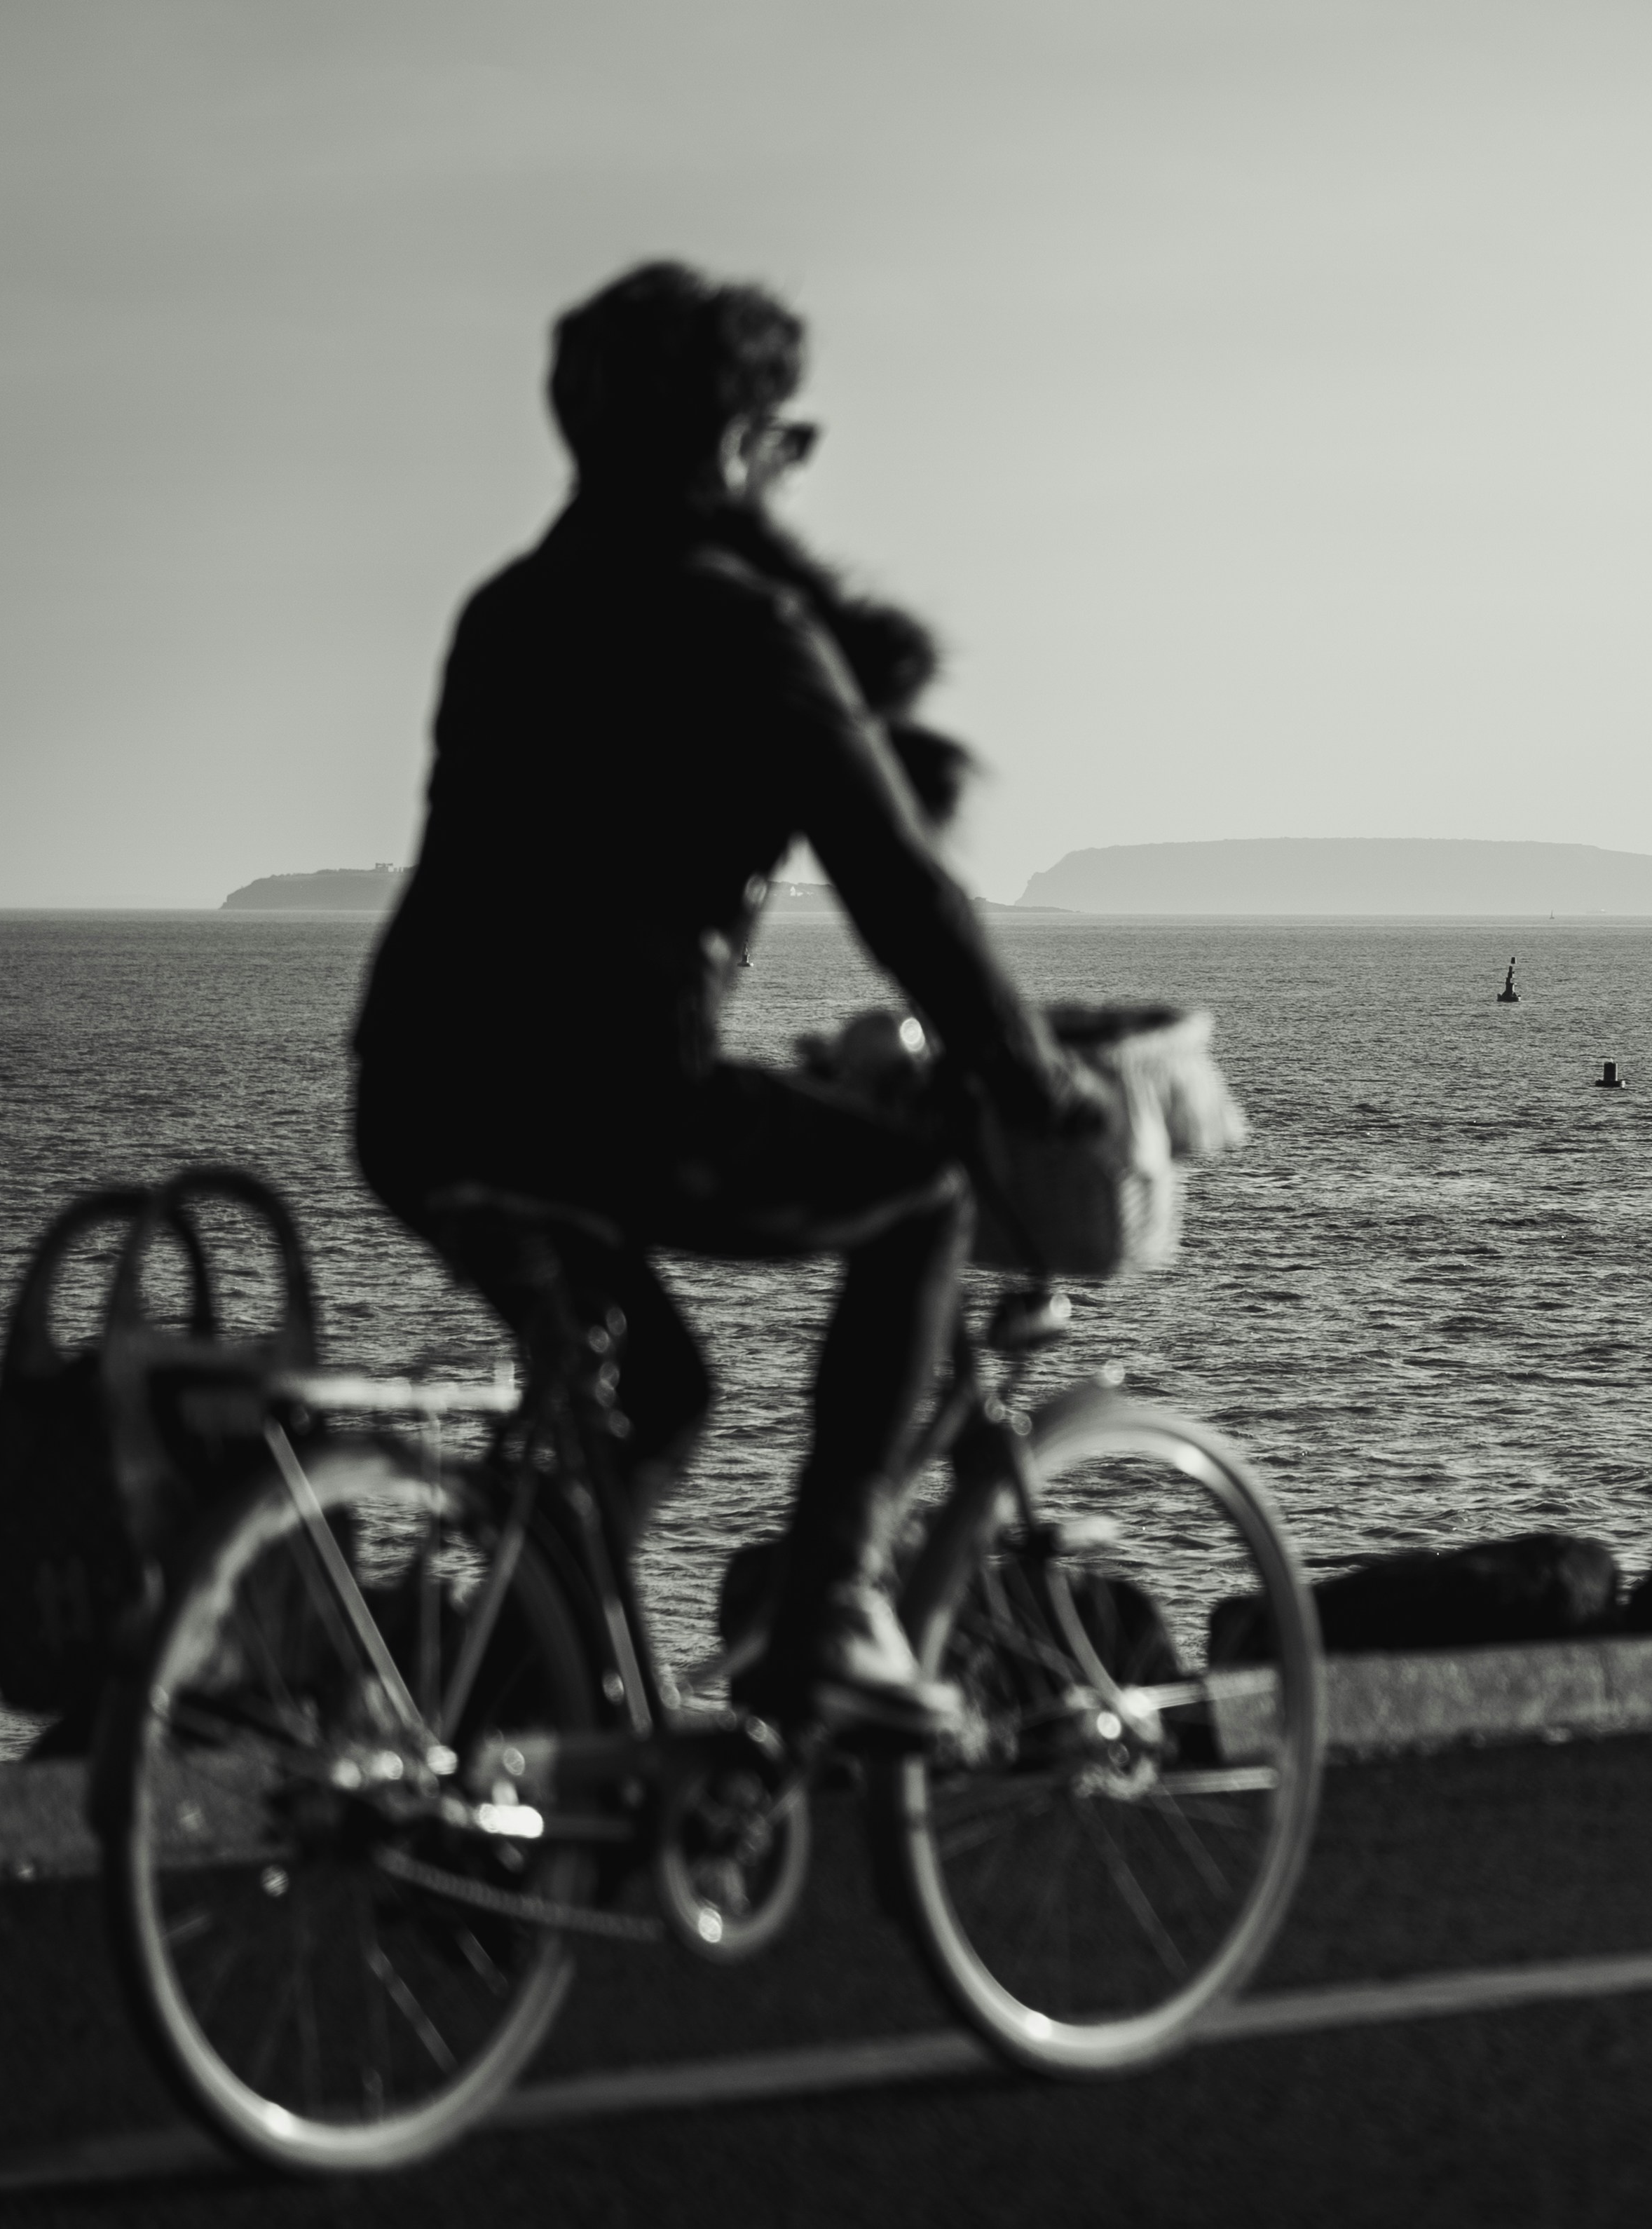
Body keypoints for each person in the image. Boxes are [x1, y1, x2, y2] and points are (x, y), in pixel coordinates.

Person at [351, 261, 1086, 1743]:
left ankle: (516, 1749)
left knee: (660, 1397)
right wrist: (1029, 1071)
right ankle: (828, 1619)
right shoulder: (743, 624)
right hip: (610, 1108)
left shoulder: (506, 610)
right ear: (738, 448)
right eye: (785, 442)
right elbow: (901, 890)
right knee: (924, 1202)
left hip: (418, 1099)